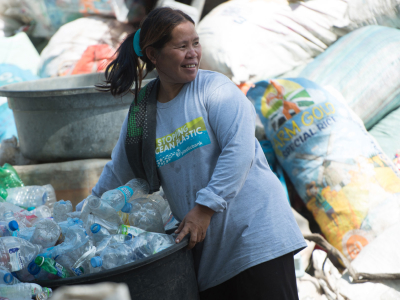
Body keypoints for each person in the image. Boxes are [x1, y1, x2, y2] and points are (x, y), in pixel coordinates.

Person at [78, 7, 306, 299]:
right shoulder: (142, 115)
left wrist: (204, 208)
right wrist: (82, 215)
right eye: (181, 46)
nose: (193, 53)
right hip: (208, 253)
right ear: (153, 54)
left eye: (195, 43)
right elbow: (117, 173)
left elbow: (240, 150)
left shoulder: (216, 89)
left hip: (257, 237)